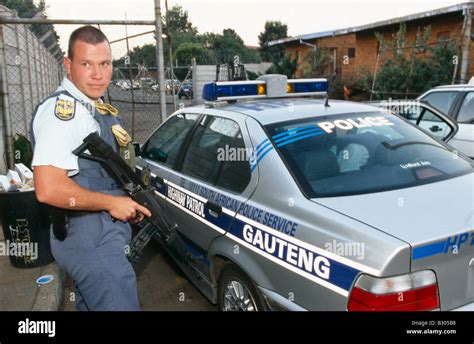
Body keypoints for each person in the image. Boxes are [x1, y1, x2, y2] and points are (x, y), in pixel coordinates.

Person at [30, 26, 151, 311]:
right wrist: (111, 203)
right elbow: (48, 189)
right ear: (69, 65)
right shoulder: (64, 114)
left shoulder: (91, 106)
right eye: (86, 64)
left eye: (105, 64)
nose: (98, 74)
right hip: (89, 236)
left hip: (97, 231)